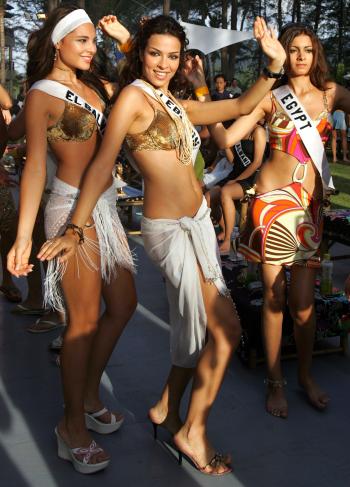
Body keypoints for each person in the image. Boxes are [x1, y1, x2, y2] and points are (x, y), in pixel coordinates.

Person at [33, 15, 285, 475]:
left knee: (205, 327)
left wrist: (273, 66)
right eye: (155, 54)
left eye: (172, 56)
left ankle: (169, 411)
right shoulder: (132, 98)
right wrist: (73, 228)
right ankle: (191, 430)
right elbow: (101, 165)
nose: (164, 64)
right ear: (139, 54)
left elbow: (242, 104)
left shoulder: (172, 100)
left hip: (200, 225)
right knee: (225, 329)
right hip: (170, 231)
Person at [7, 7, 137, 474]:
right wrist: (25, 237)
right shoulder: (43, 93)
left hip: (104, 209)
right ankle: (71, 426)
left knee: (123, 304)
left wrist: (123, 40)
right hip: (68, 213)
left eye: (92, 41)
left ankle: (86, 392)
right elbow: (36, 166)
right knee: (81, 322)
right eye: (80, 41)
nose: (89, 48)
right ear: (58, 43)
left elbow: (146, 79)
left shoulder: (95, 88)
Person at [208, 22, 350, 418]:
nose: (302, 56)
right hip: (271, 206)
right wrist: (204, 93)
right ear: (282, 53)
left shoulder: (331, 95)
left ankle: (304, 375)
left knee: (303, 305)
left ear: (316, 54)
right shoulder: (270, 95)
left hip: (309, 209)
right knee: (274, 299)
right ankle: (275, 381)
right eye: (294, 49)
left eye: (308, 49)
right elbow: (227, 138)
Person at [206, 123, 267, 254]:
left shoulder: (258, 131)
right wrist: (226, 145)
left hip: (252, 177)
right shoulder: (238, 129)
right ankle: (227, 230)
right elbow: (234, 160)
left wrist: (237, 180)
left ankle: (228, 239)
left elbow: (257, 162)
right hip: (236, 173)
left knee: (226, 192)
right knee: (208, 198)